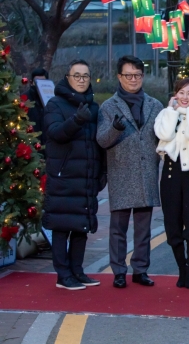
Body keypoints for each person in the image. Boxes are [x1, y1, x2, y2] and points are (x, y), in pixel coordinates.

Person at [97, 55, 162, 289]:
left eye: (137, 75)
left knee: (144, 229)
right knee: (118, 229)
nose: (133, 79)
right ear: (119, 77)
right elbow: (102, 140)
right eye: (128, 75)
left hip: (147, 172)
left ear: (142, 76)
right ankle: (118, 271)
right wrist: (115, 129)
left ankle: (140, 270)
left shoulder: (155, 105)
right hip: (121, 173)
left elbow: (163, 136)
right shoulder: (108, 107)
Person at [42, 60, 105, 290]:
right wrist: (77, 120)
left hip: (86, 177)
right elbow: (55, 133)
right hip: (63, 176)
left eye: (85, 76)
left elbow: (98, 144)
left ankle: (77, 271)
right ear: (67, 77)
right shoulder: (55, 105)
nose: (81, 80)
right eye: (76, 75)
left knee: (82, 226)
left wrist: (101, 172)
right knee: (61, 227)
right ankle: (63, 275)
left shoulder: (94, 107)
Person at [154, 78, 189, 289]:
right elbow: (164, 134)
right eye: (181, 93)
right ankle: (182, 269)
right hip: (170, 176)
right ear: (175, 94)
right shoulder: (164, 115)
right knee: (173, 225)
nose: (185, 97)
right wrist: (170, 111)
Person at [25, 67, 49, 147]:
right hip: (30, 147)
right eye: (37, 82)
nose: (40, 85)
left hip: (49, 147)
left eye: (43, 82)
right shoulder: (24, 99)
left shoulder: (52, 99)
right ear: (31, 83)